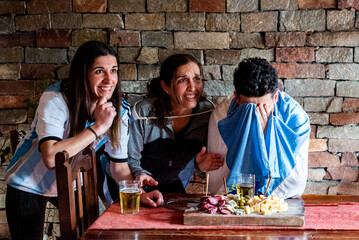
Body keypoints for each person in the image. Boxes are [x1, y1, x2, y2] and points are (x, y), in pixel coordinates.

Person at [4, 41, 162, 240]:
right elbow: (51, 158)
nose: (109, 79)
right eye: (99, 71)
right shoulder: (56, 99)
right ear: (83, 73)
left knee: (88, 236)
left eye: (113, 70)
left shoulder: (119, 109)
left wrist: (137, 192)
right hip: (28, 183)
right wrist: (98, 128)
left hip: (70, 185)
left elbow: (119, 167)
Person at [207, 58, 310, 199]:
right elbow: (216, 181)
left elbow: (295, 183)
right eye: (249, 107)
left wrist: (267, 132)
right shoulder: (221, 116)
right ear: (236, 98)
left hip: (282, 198)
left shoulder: (295, 118)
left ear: (276, 97)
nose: (255, 113)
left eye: (262, 106)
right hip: (233, 197)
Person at [127, 54, 224, 193]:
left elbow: (195, 163)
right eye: (182, 80)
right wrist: (139, 174)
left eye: (197, 79)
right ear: (166, 86)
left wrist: (198, 165)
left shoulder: (206, 114)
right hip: (135, 187)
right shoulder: (143, 113)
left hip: (172, 187)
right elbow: (129, 158)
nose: (192, 87)